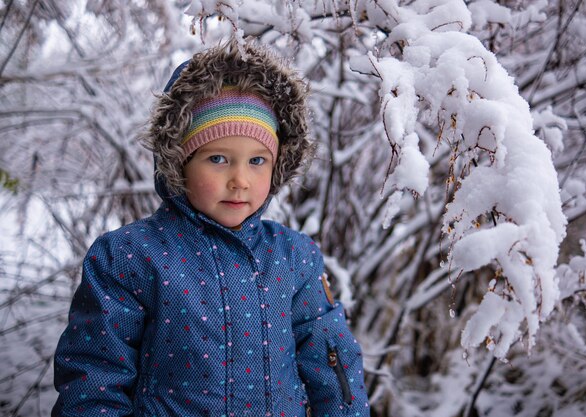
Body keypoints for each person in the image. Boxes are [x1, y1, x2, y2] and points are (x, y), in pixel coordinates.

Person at [52, 39, 370, 417]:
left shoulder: (294, 257)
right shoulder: (130, 257)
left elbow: (333, 369)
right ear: (179, 161)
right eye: (218, 158)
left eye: (256, 160)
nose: (240, 180)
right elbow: (94, 378)